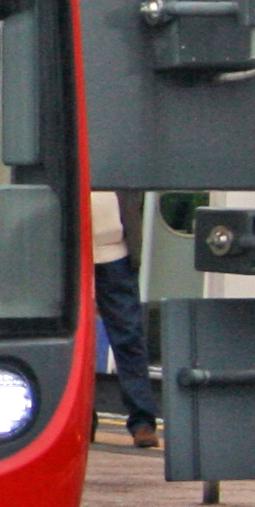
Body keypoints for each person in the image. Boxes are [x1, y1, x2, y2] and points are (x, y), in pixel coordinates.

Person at [92, 189, 158, 451]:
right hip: (71, 251)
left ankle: (142, 421)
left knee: (128, 334)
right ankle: (82, 420)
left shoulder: (117, 157)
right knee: (75, 341)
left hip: (115, 250)